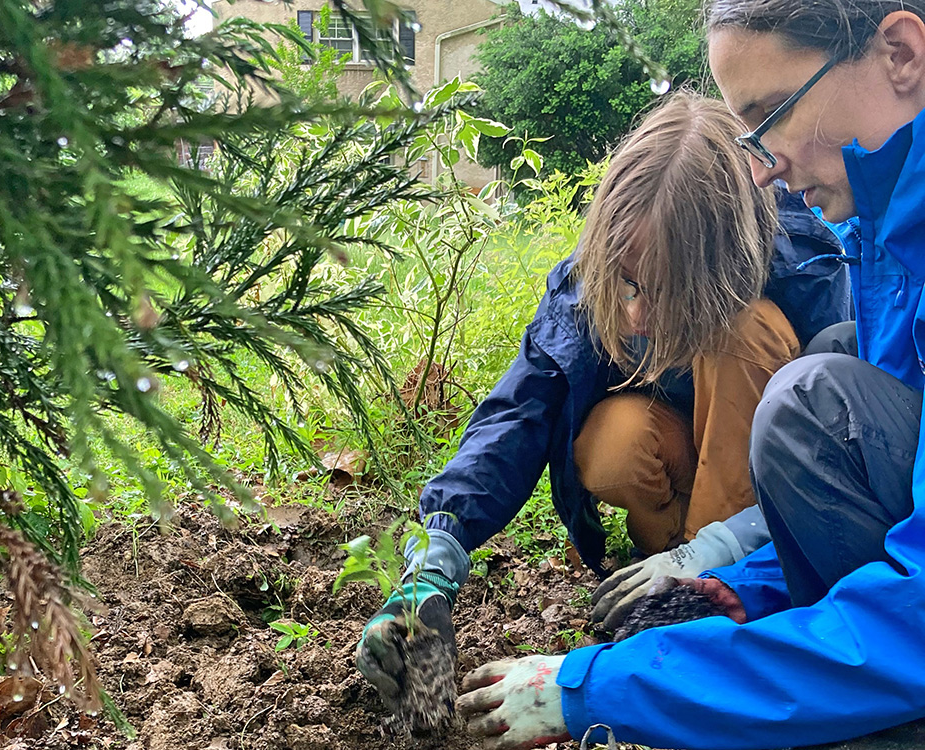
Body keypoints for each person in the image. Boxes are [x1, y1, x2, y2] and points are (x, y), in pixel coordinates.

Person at [454, 2, 925, 749]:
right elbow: (519, 408)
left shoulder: (817, 254)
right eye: (752, 133)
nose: (767, 166)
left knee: (809, 393)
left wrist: (605, 686)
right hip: (744, 507)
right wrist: (741, 589)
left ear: (900, 53)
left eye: (776, 113)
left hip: (869, 596)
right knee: (638, 435)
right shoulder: (883, 227)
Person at [354, 92, 851, 718]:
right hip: (678, 465)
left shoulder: (804, 269)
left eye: (664, 290)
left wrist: (719, 550)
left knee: (742, 331)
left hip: (768, 509)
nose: (637, 313)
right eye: (626, 282)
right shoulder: (593, 277)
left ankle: (714, 597)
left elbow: (838, 459)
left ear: (725, 262)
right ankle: (658, 576)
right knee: (613, 443)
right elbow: (517, 415)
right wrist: (436, 557)